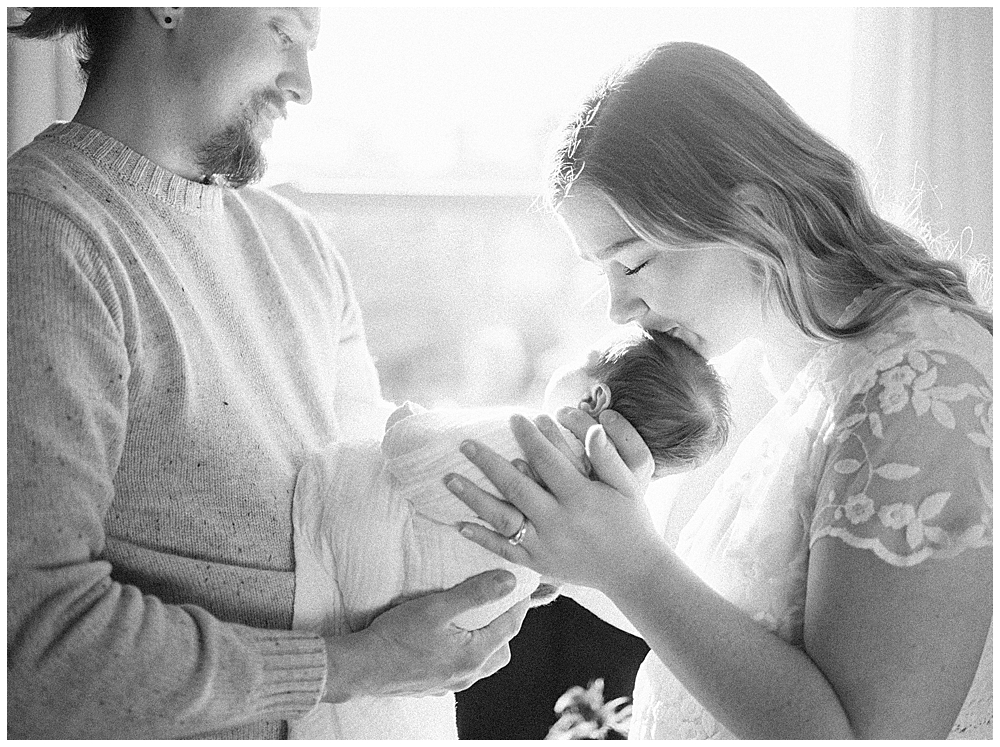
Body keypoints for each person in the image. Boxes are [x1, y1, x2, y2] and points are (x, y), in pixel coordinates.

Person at [6, 8, 530, 739]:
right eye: (284, 30)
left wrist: (503, 542)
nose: (305, 84)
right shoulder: (43, 233)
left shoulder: (300, 250)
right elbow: (33, 646)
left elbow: (369, 523)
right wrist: (352, 666)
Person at [445, 42, 992, 739]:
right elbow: (735, 640)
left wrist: (631, 563)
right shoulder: (774, 370)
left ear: (752, 212)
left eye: (633, 261)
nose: (617, 308)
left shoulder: (923, 386)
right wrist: (585, 549)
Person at [290, 328, 730, 739]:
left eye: (585, 357)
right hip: (418, 627)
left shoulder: (534, 438)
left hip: (349, 548)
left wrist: (409, 421)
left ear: (594, 398)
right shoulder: (600, 523)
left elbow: (409, 453)